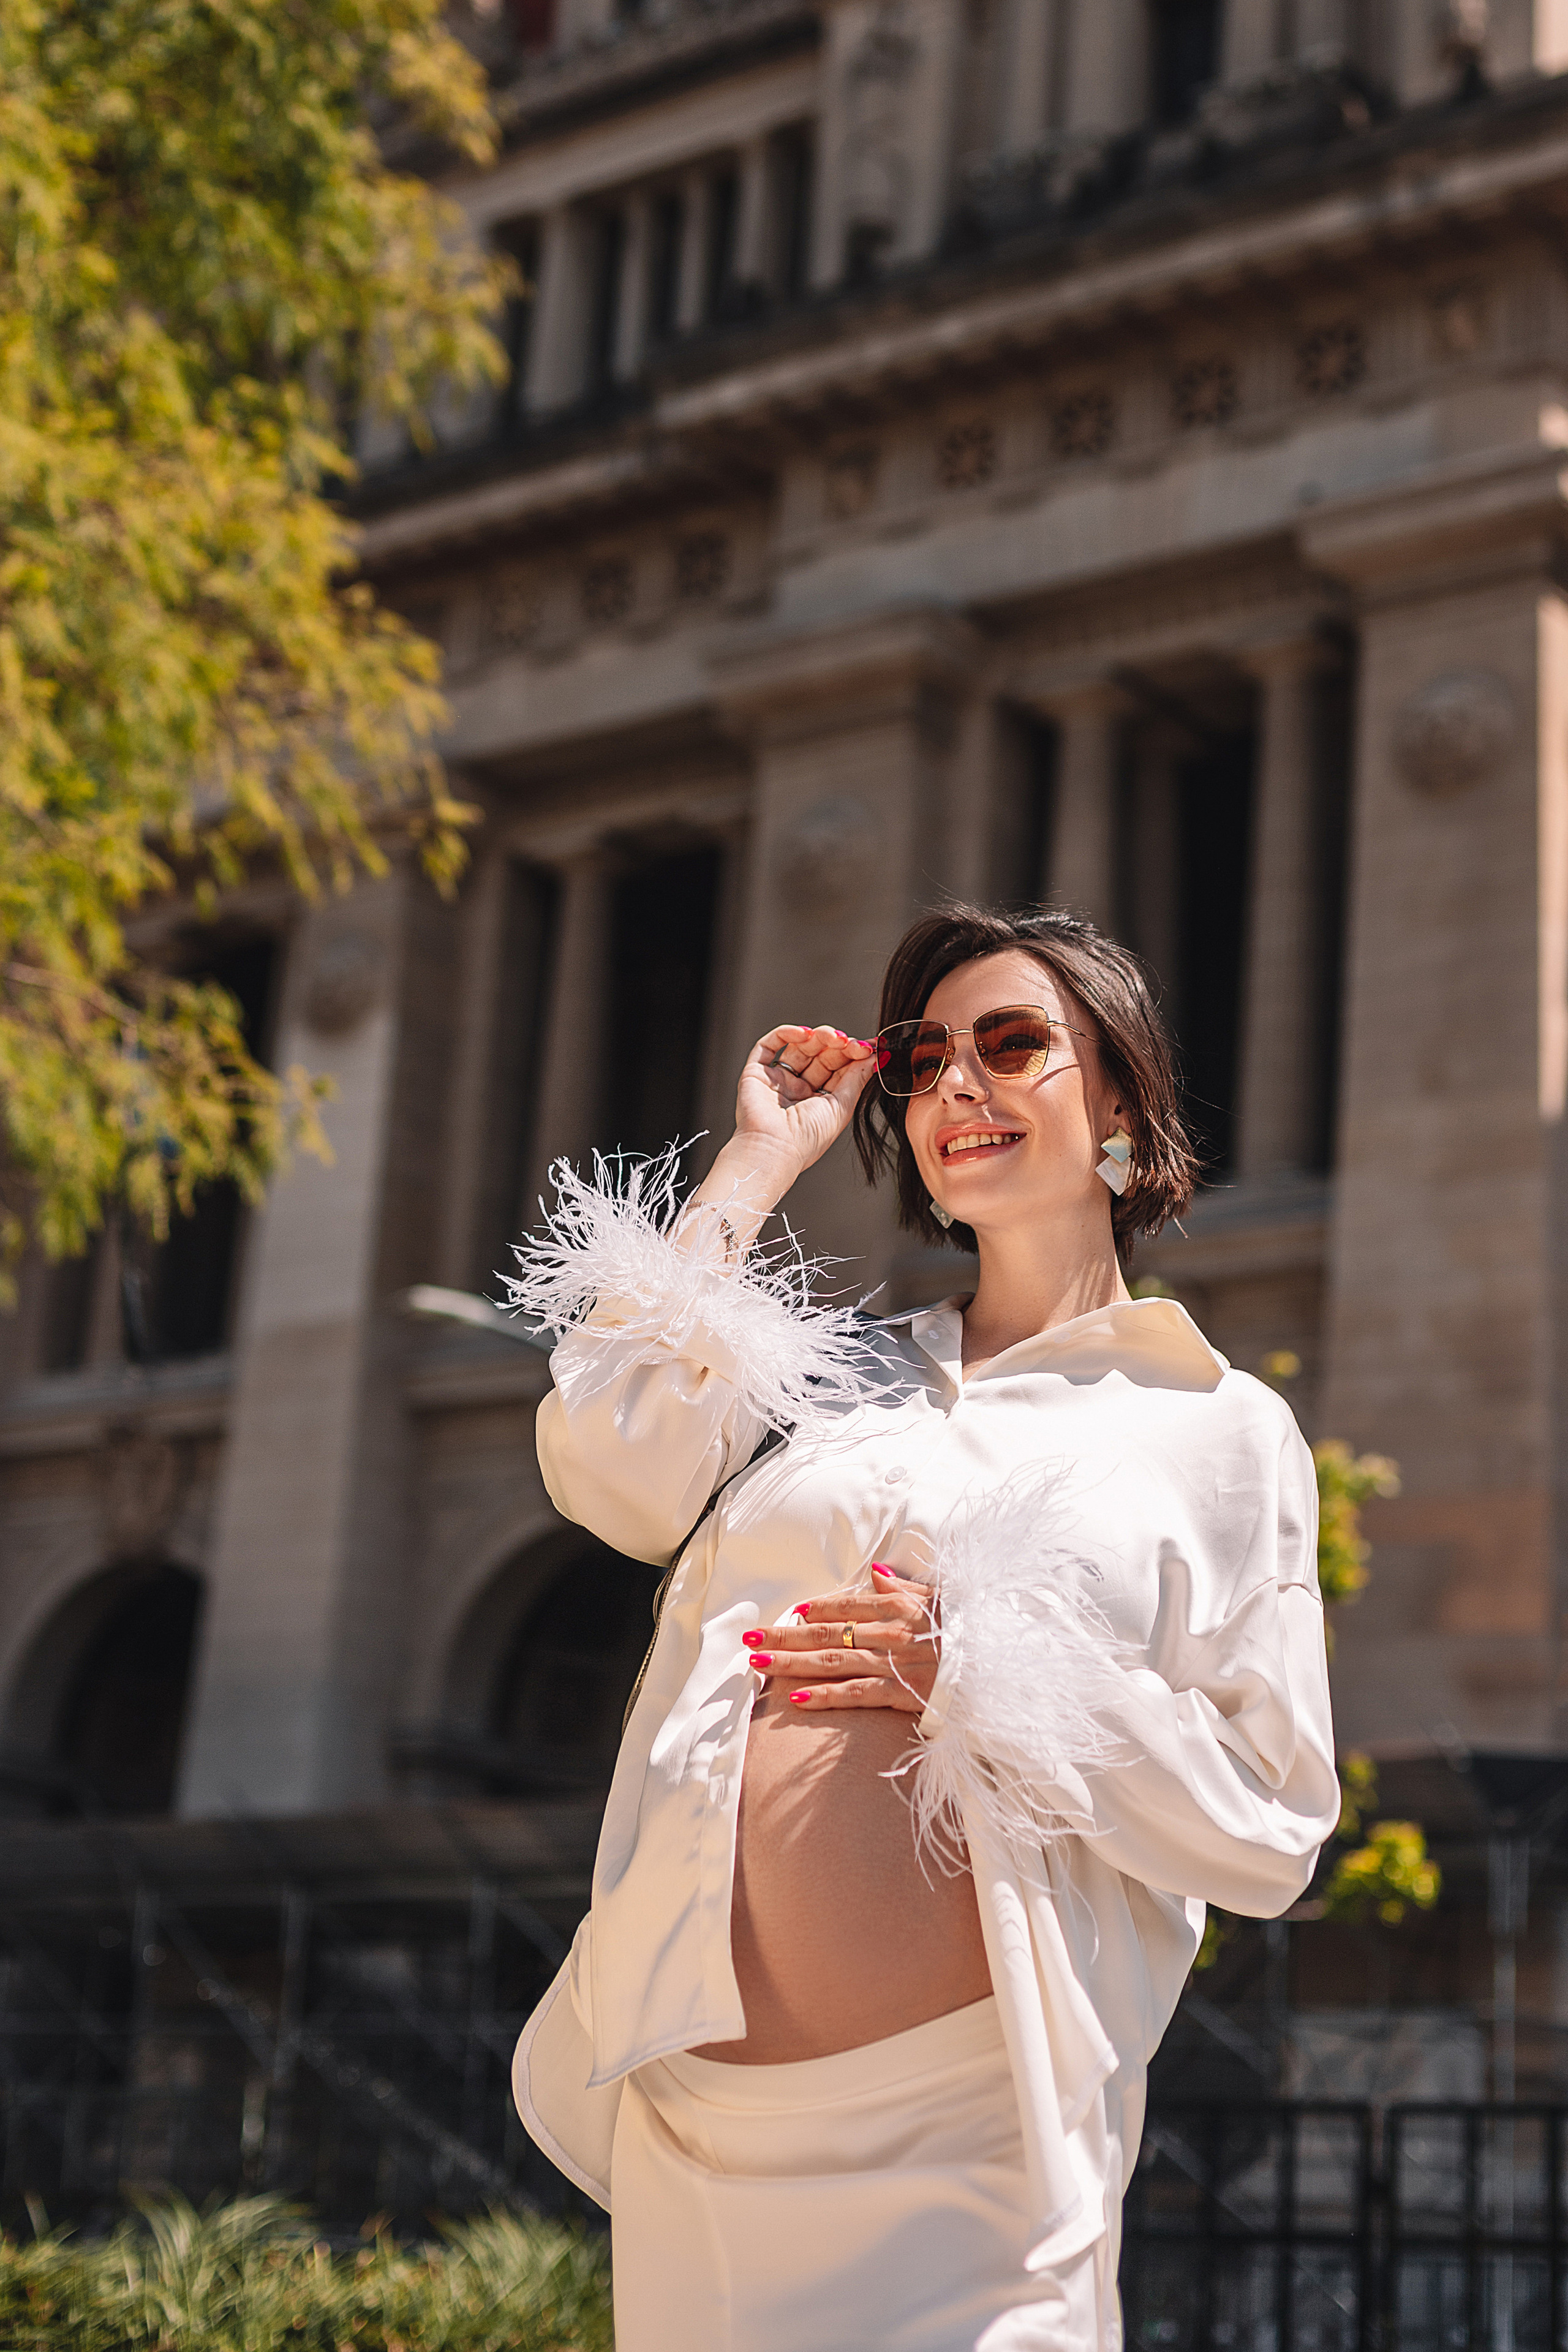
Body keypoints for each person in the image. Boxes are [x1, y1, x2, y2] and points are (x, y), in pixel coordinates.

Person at [508, 903, 1339, 2352]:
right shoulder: (827, 1385)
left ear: (1123, 1102)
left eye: (1013, 1044)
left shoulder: (1217, 1428)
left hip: (976, 2155)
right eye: (923, 1057)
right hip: (703, 2125)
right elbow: (612, 1460)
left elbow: (1267, 1830)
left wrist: (975, 1678)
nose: (960, 1085)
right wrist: (756, 1161)